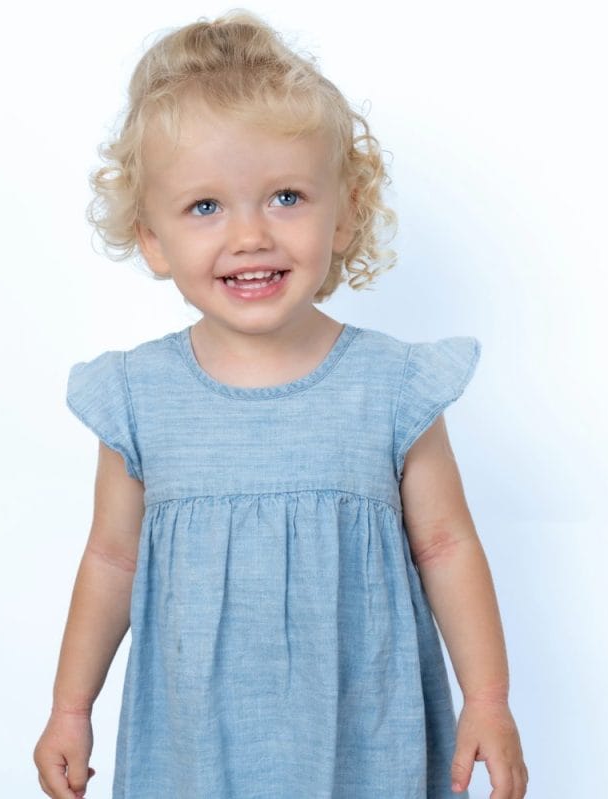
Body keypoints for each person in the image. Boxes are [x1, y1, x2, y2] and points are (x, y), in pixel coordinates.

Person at [33, 9, 528, 798]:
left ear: (345, 213)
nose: (250, 235)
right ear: (152, 237)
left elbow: (447, 546)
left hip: (364, 743)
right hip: (194, 753)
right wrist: (70, 708)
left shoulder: (392, 387)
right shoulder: (138, 396)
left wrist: (489, 700)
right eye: (205, 207)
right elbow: (111, 559)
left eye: (287, 196)